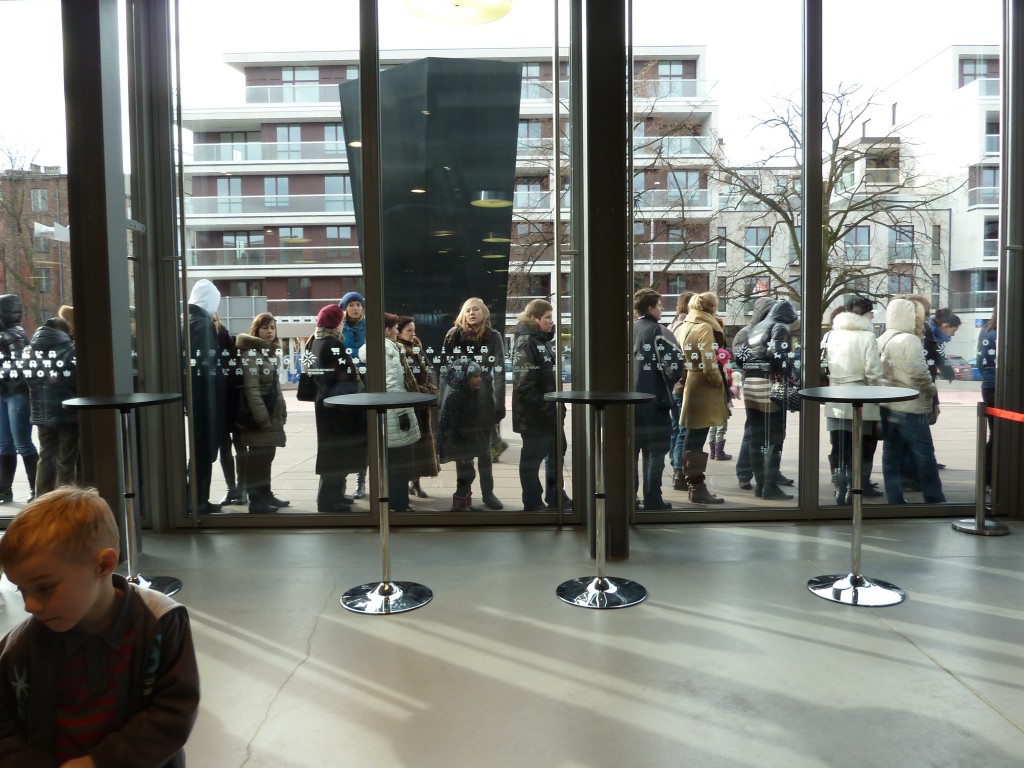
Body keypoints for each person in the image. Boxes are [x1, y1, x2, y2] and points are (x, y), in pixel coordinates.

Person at [0, 487, 200, 767]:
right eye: (22, 590)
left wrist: (100, 762)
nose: (30, 605)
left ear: (104, 564)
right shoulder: (21, 646)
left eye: (45, 588)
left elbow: (174, 711)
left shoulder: (160, 622)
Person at [439, 298, 506, 511]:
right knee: (462, 453)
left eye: (476, 309)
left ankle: (488, 493)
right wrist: (442, 401)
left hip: (484, 401)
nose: (472, 313)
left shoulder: (494, 337)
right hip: (460, 403)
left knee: (485, 452)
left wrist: (499, 404)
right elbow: (444, 371)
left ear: (484, 313)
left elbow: (500, 373)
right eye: (468, 310)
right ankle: (463, 494)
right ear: (463, 314)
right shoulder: (453, 336)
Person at [876, 298, 945, 504]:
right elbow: (918, 373)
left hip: (888, 404)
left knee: (891, 453)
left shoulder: (882, 338)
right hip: (910, 405)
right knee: (924, 454)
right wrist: (931, 390)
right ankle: (934, 498)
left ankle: (894, 499)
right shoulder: (909, 340)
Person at [733, 298, 798, 500]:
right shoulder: (778, 327)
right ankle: (770, 487)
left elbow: (740, 358)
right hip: (769, 384)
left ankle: (760, 485)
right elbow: (779, 356)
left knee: (757, 438)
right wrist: (793, 373)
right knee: (775, 437)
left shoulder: (754, 329)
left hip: (751, 385)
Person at [821, 296, 884, 505]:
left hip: (835, 396)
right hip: (860, 397)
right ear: (863, 315)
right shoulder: (867, 337)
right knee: (860, 446)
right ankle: (853, 486)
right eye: (870, 312)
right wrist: (880, 395)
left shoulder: (830, 335)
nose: (873, 315)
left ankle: (839, 486)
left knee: (838, 445)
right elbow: (873, 373)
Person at [512, 298, 571, 511]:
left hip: (549, 412)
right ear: (534, 318)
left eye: (551, 317)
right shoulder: (526, 342)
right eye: (547, 318)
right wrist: (546, 408)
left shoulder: (541, 340)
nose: (551, 322)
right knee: (532, 458)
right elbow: (525, 385)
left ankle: (556, 496)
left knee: (557, 452)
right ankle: (533, 501)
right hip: (536, 415)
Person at [360, 313, 421, 513]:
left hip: (390, 413)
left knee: (391, 462)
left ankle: (393, 503)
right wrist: (403, 412)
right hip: (396, 413)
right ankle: (399, 505)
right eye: (395, 327)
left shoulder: (382, 349)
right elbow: (393, 385)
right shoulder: (389, 351)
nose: (397, 330)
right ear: (387, 331)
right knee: (398, 463)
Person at [310, 304, 367, 513]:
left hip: (325, 405)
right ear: (335, 323)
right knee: (336, 454)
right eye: (341, 320)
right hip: (338, 408)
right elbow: (343, 378)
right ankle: (328, 501)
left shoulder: (316, 340)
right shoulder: (333, 343)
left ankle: (335, 495)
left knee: (332, 454)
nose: (343, 324)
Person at [632, 288, 683, 510]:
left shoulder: (626, 330)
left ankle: (628, 497)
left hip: (628, 404)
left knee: (630, 454)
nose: (662, 309)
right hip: (655, 402)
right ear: (651, 308)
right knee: (654, 453)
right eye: (660, 306)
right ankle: (653, 498)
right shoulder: (660, 332)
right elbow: (675, 367)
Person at [235, 312, 289, 514]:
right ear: (256, 329)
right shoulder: (251, 354)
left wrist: (281, 410)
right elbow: (252, 391)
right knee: (258, 458)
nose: (270, 331)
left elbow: (275, 387)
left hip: (271, 413)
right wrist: (262, 419)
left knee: (267, 455)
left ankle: (265, 494)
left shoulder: (267, 353)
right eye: (265, 327)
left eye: (272, 327)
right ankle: (256, 500)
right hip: (258, 417)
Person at [677, 291, 728, 504]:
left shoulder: (686, 324)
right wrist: (717, 382)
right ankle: (697, 487)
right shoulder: (705, 327)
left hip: (692, 381)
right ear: (712, 308)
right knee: (697, 437)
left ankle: (687, 478)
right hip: (704, 386)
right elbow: (709, 361)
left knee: (691, 435)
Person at [24, 317, 79, 496]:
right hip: (67, 414)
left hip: (41, 414)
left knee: (45, 456)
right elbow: (76, 381)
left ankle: (42, 498)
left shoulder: (29, 350)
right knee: (66, 459)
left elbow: (27, 380)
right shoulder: (70, 351)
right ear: (64, 332)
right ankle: (62, 500)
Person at [186, 279, 225, 514]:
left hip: (193, 397)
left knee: (197, 451)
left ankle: (194, 498)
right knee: (204, 451)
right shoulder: (203, 325)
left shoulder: (186, 322)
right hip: (205, 398)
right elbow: (209, 365)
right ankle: (200, 500)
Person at [0, 294, 39, 503]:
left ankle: (35, 489)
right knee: (4, 444)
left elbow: (19, 365)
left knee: (22, 442)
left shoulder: (13, 335)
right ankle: (5, 489)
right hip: (6, 393)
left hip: (16, 394)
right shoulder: (10, 334)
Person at [395, 316, 439, 498]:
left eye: (414, 330)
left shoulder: (417, 348)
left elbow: (430, 370)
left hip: (422, 406)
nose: (413, 334)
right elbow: (402, 379)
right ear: (399, 332)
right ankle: (404, 483)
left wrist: (431, 389)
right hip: (408, 405)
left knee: (421, 447)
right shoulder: (396, 349)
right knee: (409, 449)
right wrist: (422, 391)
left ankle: (416, 483)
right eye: (409, 331)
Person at [213, 312, 246, 507]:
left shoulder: (232, 341)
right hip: (218, 405)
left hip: (235, 402)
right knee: (224, 449)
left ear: (219, 320)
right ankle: (230, 489)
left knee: (240, 447)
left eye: (214, 320)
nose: (212, 324)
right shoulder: (203, 342)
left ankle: (241, 490)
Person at [339, 291, 368, 500]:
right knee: (349, 437)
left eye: (358, 304)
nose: (355, 308)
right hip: (346, 385)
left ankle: (361, 482)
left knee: (365, 437)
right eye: (351, 305)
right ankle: (343, 483)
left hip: (367, 384)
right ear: (344, 308)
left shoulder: (371, 327)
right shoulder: (340, 330)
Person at [666, 290, 695, 490]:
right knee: (684, 430)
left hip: (673, 385)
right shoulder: (688, 326)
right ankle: (679, 470)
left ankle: (674, 463)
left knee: (676, 429)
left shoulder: (672, 325)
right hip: (684, 384)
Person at [977, 309, 997, 486]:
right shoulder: (1008, 330)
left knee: (995, 432)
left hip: (989, 385)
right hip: (1002, 384)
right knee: (1002, 434)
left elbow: (980, 360)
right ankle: (991, 476)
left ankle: (987, 477)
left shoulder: (986, 329)